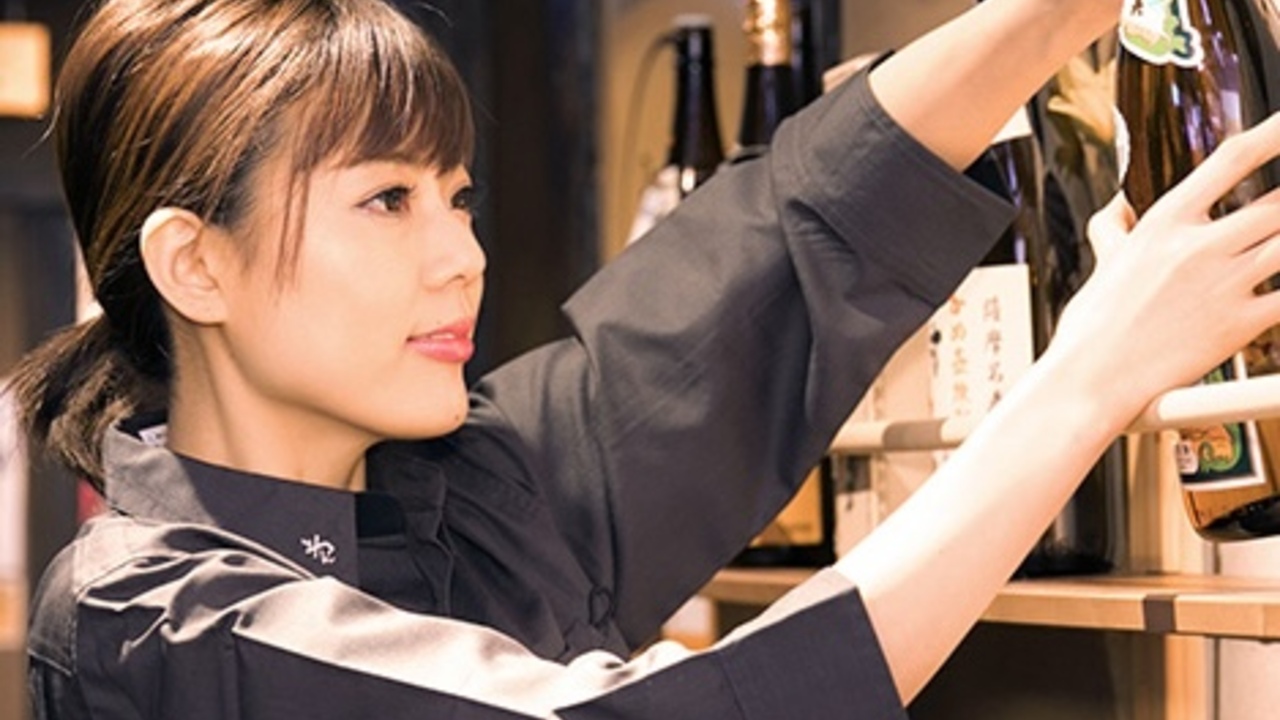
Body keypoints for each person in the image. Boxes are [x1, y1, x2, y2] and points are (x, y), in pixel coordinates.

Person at [12, 0, 1280, 716]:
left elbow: (778, 248)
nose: (462, 256)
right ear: (196, 266)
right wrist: (1083, 378)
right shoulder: (155, 618)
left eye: (458, 196)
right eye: (386, 200)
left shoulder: (469, 490)